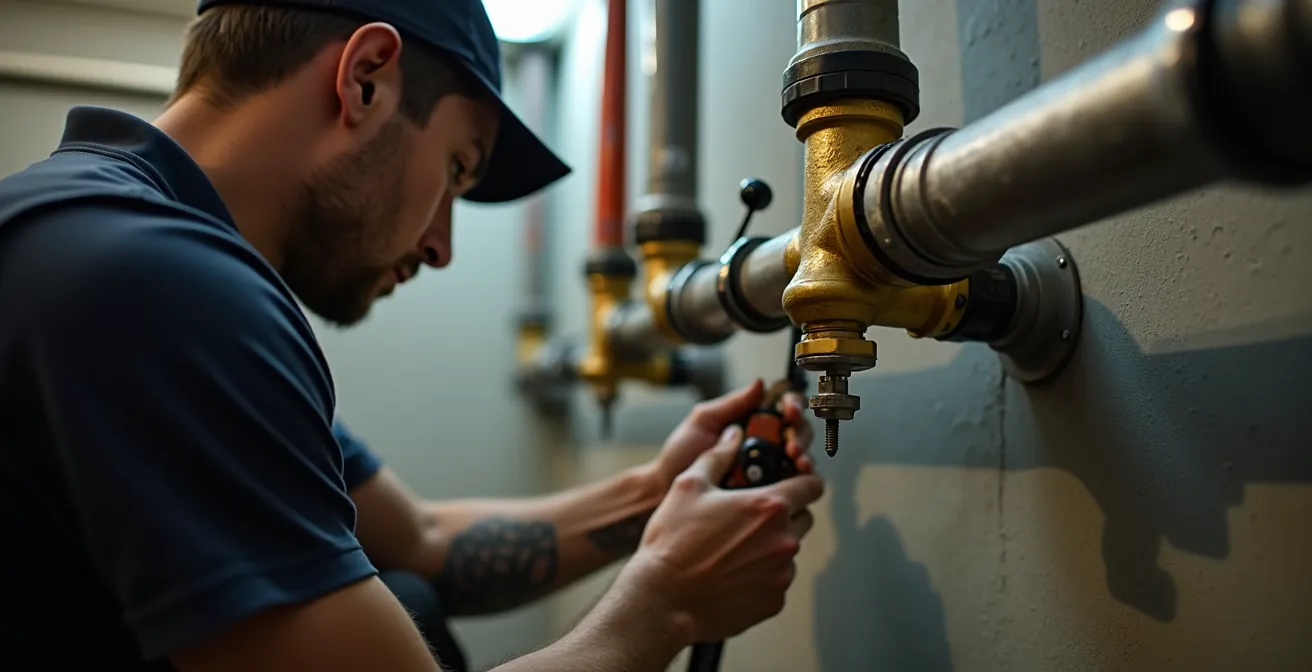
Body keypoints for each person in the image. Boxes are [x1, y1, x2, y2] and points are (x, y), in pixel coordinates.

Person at [0, 0, 825, 670]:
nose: (441, 247)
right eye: (458, 168)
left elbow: (421, 542)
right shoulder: (163, 287)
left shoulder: (97, 232)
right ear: (364, 78)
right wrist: (669, 601)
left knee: (409, 593)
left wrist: (657, 492)